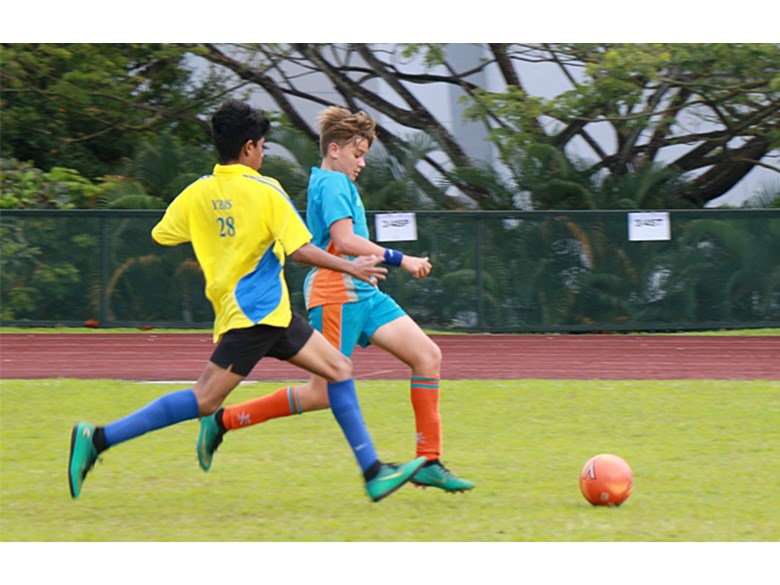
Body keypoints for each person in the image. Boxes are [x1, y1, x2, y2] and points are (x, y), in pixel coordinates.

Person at [68, 99, 427, 503]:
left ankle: (373, 471)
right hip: (255, 316)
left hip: (268, 314)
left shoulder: (198, 192)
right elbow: (301, 250)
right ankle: (98, 438)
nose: (262, 153)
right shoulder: (266, 190)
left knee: (339, 369)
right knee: (204, 400)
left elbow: (162, 234)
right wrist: (352, 268)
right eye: (262, 147)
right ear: (250, 148)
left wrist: (218, 231)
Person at [197, 105, 475, 493]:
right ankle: (224, 420)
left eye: (364, 155)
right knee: (321, 392)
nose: (362, 163)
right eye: (357, 154)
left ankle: (428, 459)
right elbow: (343, 242)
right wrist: (402, 259)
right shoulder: (330, 183)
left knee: (427, 357)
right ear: (334, 150)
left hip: (365, 292)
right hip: (336, 293)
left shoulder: (338, 183)